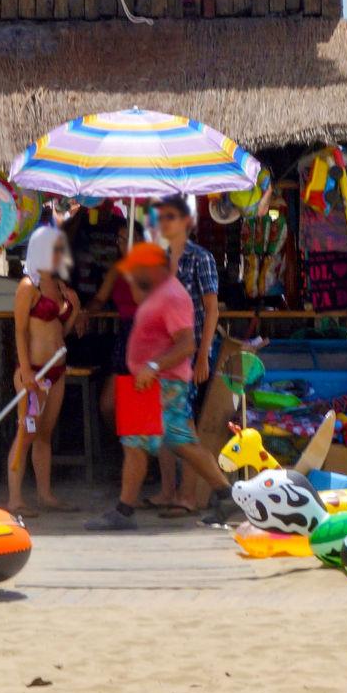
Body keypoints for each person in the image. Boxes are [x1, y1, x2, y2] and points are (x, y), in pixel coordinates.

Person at [84, 242, 234, 530]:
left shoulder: (172, 296)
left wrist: (153, 366)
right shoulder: (159, 294)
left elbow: (186, 343)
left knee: (170, 442)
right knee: (143, 444)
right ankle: (126, 510)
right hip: (147, 383)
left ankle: (224, 494)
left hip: (161, 383)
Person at [151, 195, 221, 514]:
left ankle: (189, 495)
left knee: (185, 422)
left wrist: (204, 355)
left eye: (169, 217)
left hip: (188, 351)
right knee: (164, 422)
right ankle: (169, 491)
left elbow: (211, 310)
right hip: (163, 352)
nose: (163, 223)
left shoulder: (200, 258)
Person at [7, 224, 77, 517]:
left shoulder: (59, 287)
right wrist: (26, 371)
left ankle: (45, 494)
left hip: (56, 370)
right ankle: (15, 498)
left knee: (45, 434)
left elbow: (63, 329)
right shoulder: (28, 287)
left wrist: (73, 306)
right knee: (26, 432)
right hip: (34, 371)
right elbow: (20, 330)